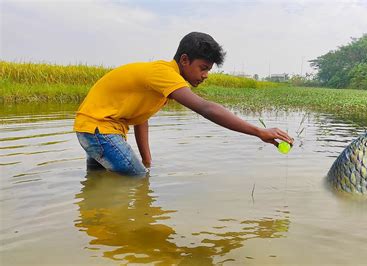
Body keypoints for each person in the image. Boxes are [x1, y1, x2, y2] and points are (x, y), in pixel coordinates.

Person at [74, 32, 293, 176]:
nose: (206, 75)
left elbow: (142, 120)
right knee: (138, 182)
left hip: (93, 129)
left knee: (98, 184)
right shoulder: (164, 74)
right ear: (185, 60)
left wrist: (147, 159)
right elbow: (206, 108)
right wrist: (259, 131)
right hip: (100, 130)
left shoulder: (161, 81)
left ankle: (98, 236)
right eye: (203, 68)